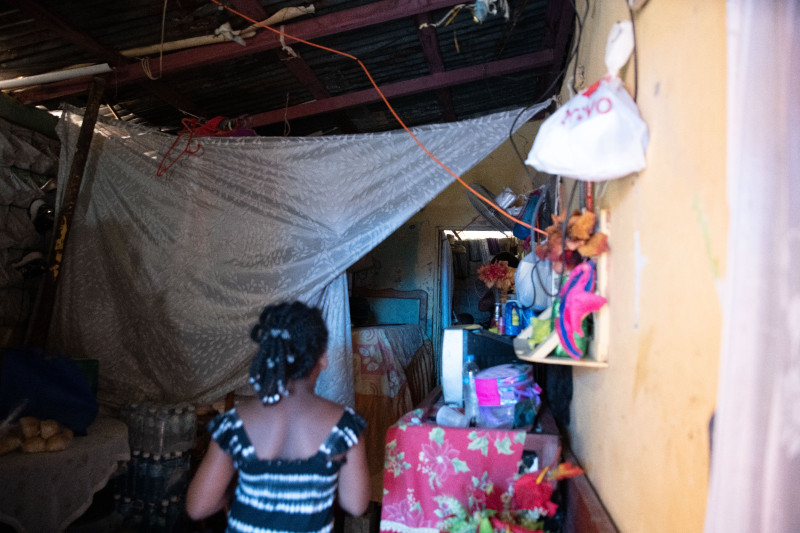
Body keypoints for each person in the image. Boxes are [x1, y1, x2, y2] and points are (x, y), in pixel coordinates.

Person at [186, 302, 370, 532]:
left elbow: (198, 507)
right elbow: (355, 505)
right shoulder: (345, 426)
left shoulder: (234, 424)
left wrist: (231, 494)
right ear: (322, 357)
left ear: (268, 356)